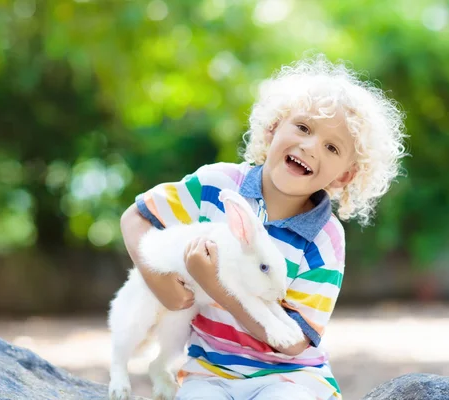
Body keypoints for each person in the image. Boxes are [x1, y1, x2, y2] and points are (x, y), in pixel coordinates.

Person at [120, 53, 406, 400]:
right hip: (208, 371)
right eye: (303, 127)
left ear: (344, 175)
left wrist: (216, 285)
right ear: (273, 128)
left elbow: (295, 341)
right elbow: (135, 218)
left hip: (291, 376)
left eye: (332, 147)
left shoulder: (326, 238)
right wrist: (158, 280)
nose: (310, 146)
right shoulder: (216, 185)